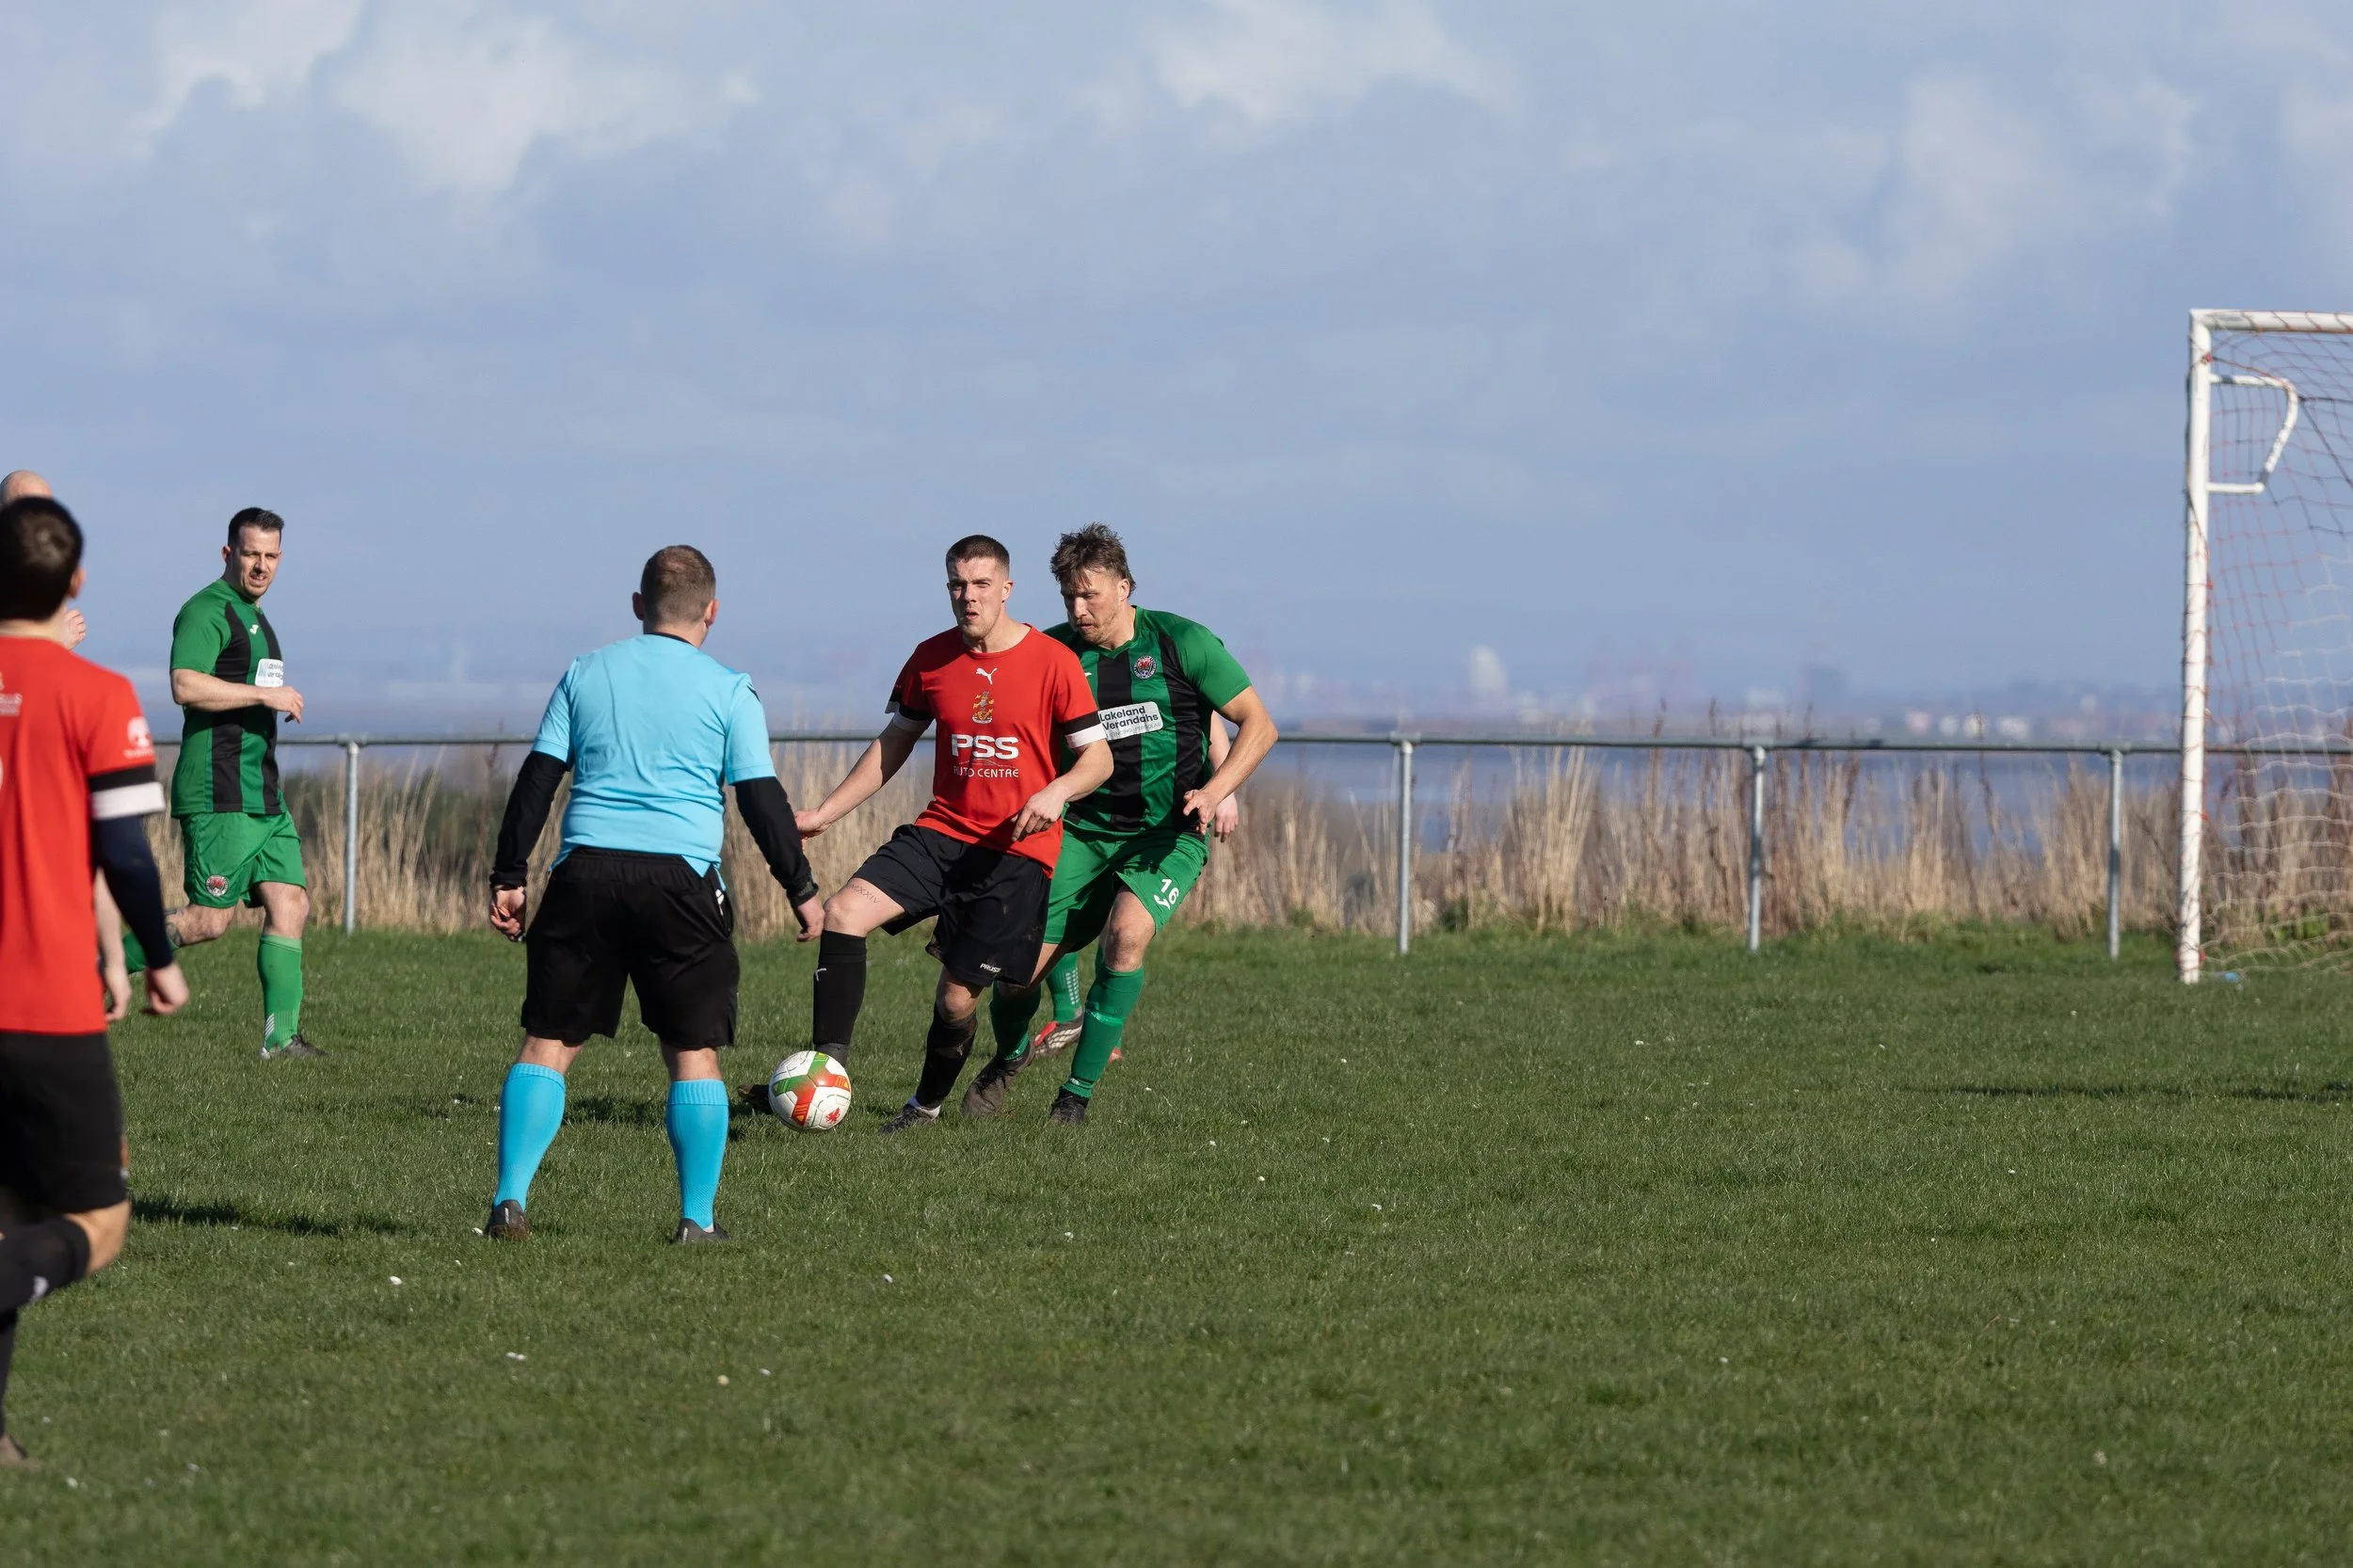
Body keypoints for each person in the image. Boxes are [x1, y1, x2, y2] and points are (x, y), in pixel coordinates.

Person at [483, 546, 823, 1243]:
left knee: (547, 1040)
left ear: (638, 606)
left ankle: (509, 1203)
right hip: (681, 885)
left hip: (585, 876)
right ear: (712, 613)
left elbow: (538, 780)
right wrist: (803, 889)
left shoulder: (585, 672)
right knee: (693, 1052)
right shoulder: (731, 689)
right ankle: (696, 1221)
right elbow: (762, 800)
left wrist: (510, 876)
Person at [961, 524, 1276, 1125]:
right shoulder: (1051, 655)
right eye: (1068, 599)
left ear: (1124, 587)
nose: (1079, 610)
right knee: (1017, 973)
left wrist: (1215, 790)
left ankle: (1074, 1097)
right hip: (1078, 832)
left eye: (1091, 596)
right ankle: (1006, 1059)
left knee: (1127, 937)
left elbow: (1257, 726)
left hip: (1165, 833)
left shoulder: (1183, 642)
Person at [794, 535, 1110, 1131]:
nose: (968, 597)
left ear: (1007, 589)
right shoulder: (930, 659)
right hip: (941, 833)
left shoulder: (1053, 662)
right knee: (842, 914)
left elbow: (1098, 759)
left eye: (982, 584)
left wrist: (1056, 791)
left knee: (957, 1001)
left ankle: (925, 1108)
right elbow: (893, 746)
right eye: (957, 586)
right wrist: (822, 814)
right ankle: (825, 1078)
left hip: (1016, 853)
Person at [0, 496, 189, 1470]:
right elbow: (124, 849)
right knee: (94, 1225)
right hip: (42, 1008)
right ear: (75, 584)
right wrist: (158, 958)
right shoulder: (99, 691)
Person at [129, 509, 319, 1058]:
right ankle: (98, 972)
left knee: (291, 902)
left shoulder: (255, 616)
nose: (261, 565)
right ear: (228, 554)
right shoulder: (206, 610)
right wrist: (266, 697)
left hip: (261, 793)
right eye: (251, 553)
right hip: (220, 792)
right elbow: (184, 685)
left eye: (271, 555)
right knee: (208, 921)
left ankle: (281, 1041)